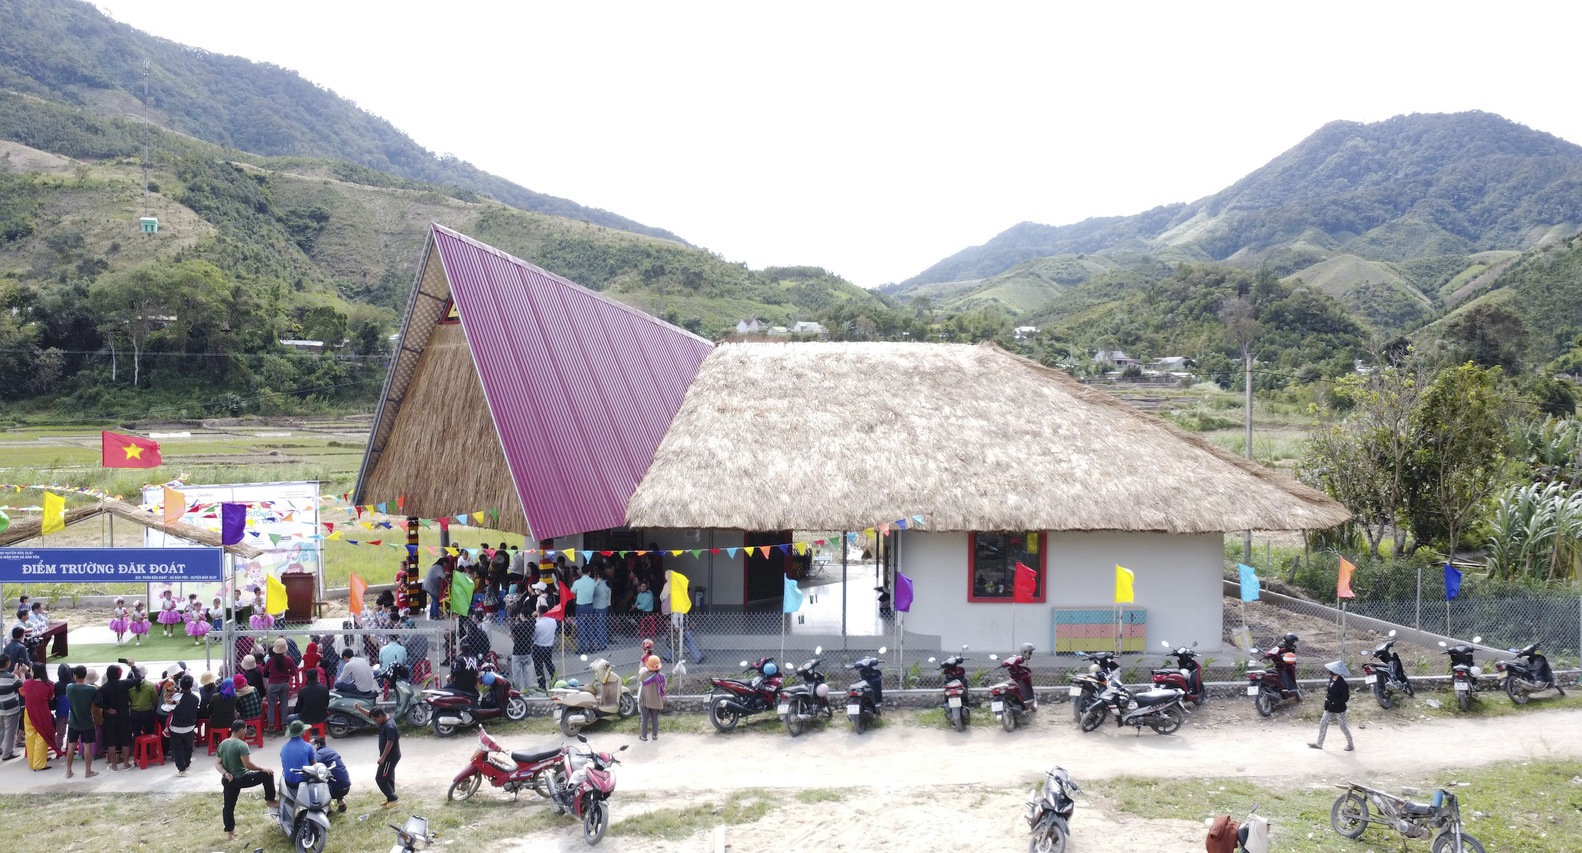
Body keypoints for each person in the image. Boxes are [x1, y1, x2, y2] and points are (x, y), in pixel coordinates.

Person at [217, 719, 279, 841]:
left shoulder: (222, 744)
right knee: (268, 774)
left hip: (228, 780)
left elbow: (218, 763)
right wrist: (262, 768)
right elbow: (248, 764)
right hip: (242, 778)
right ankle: (270, 800)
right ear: (241, 730)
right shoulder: (241, 745)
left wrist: (225, 773)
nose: (246, 732)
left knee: (228, 807)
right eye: (245, 729)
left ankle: (230, 833)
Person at [1309, 660, 1355, 751]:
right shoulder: (1331, 679)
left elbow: (1345, 698)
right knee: (1323, 723)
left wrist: (1334, 702)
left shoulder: (1342, 684)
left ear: (1337, 672)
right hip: (1329, 708)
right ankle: (1319, 743)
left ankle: (1350, 744)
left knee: (1343, 727)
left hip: (1339, 709)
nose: (1330, 671)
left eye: (1333, 670)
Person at [95, 663, 133, 771]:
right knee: (126, 739)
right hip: (124, 715)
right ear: (119, 674)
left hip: (110, 717)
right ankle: (126, 764)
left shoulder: (104, 688)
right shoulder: (124, 684)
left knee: (111, 741)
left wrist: (107, 708)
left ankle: (114, 766)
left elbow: (97, 701)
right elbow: (138, 678)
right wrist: (133, 666)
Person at [21, 663, 59, 770]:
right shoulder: (49, 685)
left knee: (30, 736)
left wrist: (23, 673)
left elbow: (23, 685)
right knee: (42, 736)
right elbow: (50, 698)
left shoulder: (27, 683)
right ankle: (39, 763)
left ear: (34, 672)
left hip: (28, 712)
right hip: (42, 713)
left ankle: (32, 761)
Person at [63, 665, 97, 779]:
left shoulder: (70, 687)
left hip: (73, 722)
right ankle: (88, 771)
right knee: (87, 747)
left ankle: (68, 771)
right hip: (87, 722)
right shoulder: (91, 689)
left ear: (75, 676)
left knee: (71, 746)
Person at [167, 673, 200, 776]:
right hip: (190, 726)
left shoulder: (176, 697)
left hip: (176, 727)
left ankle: (182, 769)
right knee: (188, 746)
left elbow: (165, 708)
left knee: (177, 749)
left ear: (180, 685)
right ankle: (187, 764)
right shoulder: (196, 697)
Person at [310, 736, 351, 812]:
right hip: (346, 786)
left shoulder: (319, 754)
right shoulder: (331, 750)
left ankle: (327, 807)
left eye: (312, 745)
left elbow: (313, 767)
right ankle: (341, 801)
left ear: (318, 745)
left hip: (333, 791)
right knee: (335, 774)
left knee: (316, 780)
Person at [263, 638, 294, 734]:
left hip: (273, 685)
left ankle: (271, 726)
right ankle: (284, 725)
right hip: (284, 684)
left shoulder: (270, 660)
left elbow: (264, 672)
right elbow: (293, 672)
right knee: (284, 705)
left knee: (271, 706)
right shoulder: (288, 660)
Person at [372, 706, 400, 809]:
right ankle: (390, 799)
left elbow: (390, 742)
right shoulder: (385, 718)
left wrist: (383, 758)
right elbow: (370, 714)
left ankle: (393, 798)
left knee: (380, 779)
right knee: (389, 777)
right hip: (389, 757)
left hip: (389, 757)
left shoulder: (389, 726)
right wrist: (360, 709)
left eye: (375, 719)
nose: (375, 722)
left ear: (380, 716)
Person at [279, 720, 316, 793]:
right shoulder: (308, 746)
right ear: (303, 732)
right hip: (303, 782)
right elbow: (314, 764)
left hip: (288, 782)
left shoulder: (283, 748)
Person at [638, 654, 666, 742]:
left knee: (644, 719)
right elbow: (664, 686)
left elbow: (639, 684)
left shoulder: (643, 675)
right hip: (656, 701)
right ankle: (655, 735)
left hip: (645, 701)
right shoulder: (661, 676)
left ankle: (644, 736)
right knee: (655, 719)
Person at [532, 603, 558, 692]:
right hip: (549, 645)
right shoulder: (553, 621)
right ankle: (555, 680)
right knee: (549, 663)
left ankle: (542, 685)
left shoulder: (538, 624)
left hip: (538, 646)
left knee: (538, 666)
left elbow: (534, 636)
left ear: (539, 612)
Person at [509, 605, 535, 693]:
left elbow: (512, 635)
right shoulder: (532, 625)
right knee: (527, 675)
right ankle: (528, 693)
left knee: (516, 676)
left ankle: (516, 692)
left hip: (517, 652)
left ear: (522, 615)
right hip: (527, 652)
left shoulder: (518, 626)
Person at [128, 664, 159, 736]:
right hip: (147, 713)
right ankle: (148, 747)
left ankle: (136, 747)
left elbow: (129, 700)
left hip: (134, 713)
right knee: (149, 733)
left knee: (136, 733)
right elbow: (154, 700)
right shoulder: (150, 685)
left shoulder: (130, 686)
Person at [0, 654, 20, 762]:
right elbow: (21, 685)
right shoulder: (13, 677)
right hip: (11, 708)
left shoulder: (10, 677)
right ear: (8, 663)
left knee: (1, 729)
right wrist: (20, 673)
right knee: (10, 731)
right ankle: (7, 753)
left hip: (0, 708)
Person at [591, 568, 612, 650]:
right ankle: (604, 643)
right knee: (603, 626)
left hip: (598, 607)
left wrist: (595, 583)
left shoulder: (599, 585)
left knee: (598, 626)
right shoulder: (607, 585)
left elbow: (593, 593)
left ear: (599, 576)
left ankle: (601, 645)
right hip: (605, 607)